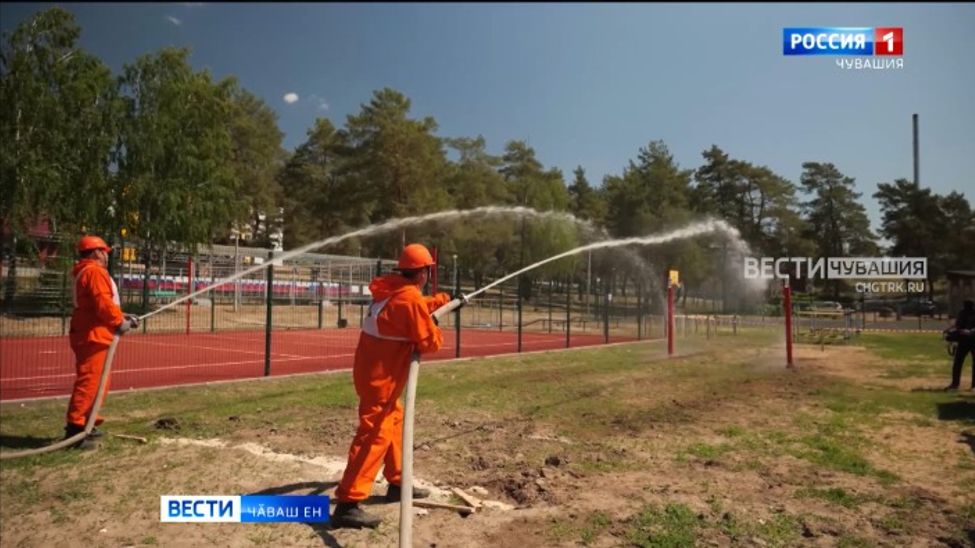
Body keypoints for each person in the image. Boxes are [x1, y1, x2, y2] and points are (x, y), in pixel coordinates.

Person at [331, 243, 456, 529]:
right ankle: (348, 503)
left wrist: (441, 301)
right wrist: (434, 324)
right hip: (381, 382)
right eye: (428, 271)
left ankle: (399, 482)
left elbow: (412, 309)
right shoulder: (407, 299)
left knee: (394, 424)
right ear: (422, 273)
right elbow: (430, 342)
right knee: (373, 436)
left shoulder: (391, 290)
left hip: (372, 376)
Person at [65, 235, 138, 450]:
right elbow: (103, 303)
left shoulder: (87, 272)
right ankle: (75, 430)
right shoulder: (94, 272)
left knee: (99, 382)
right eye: (104, 252)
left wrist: (122, 316)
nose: (106, 256)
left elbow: (102, 303)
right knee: (89, 382)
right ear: (96, 252)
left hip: (94, 332)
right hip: (93, 334)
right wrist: (118, 321)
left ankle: (88, 423)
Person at [946, 299, 975, 391]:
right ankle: (955, 384)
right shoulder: (962, 313)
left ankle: (974, 386)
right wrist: (952, 331)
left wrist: (970, 331)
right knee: (957, 362)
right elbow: (958, 325)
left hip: (974, 340)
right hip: (963, 340)